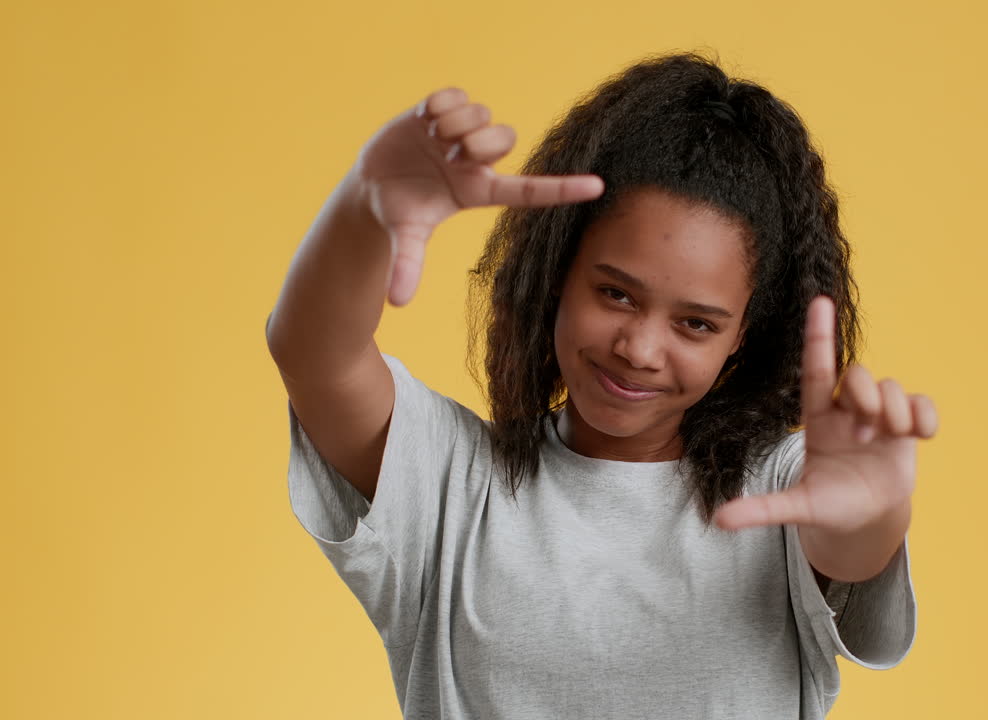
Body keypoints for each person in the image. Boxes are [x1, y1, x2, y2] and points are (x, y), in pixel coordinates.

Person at [266, 50, 936, 720]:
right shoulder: (454, 486)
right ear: (560, 270)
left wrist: (872, 511)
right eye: (616, 293)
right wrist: (366, 207)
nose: (639, 349)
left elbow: (849, 547)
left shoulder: (780, 489)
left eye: (696, 324)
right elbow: (316, 355)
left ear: (742, 336)